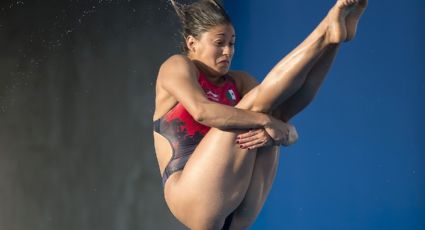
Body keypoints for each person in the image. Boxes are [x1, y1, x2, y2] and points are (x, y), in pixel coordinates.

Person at [153, 0, 367, 229]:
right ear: (192, 43)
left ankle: (333, 41)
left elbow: (282, 118)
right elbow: (202, 112)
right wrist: (267, 122)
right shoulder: (177, 67)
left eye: (232, 44)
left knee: (274, 113)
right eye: (219, 43)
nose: (227, 51)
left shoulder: (239, 81)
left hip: (237, 211)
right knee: (255, 110)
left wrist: (286, 133)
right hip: (192, 197)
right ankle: (324, 29)